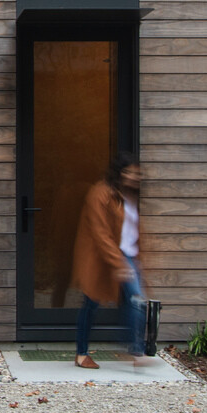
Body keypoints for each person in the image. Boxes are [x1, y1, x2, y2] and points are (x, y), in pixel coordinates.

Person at [71, 152, 148, 368]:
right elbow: (100, 232)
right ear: (120, 172)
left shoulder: (130, 195)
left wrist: (138, 257)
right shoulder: (101, 193)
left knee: (135, 300)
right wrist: (118, 262)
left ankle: (136, 351)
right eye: (130, 172)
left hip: (128, 255)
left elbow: (133, 230)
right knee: (91, 303)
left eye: (137, 173)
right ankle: (82, 353)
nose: (135, 177)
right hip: (102, 257)